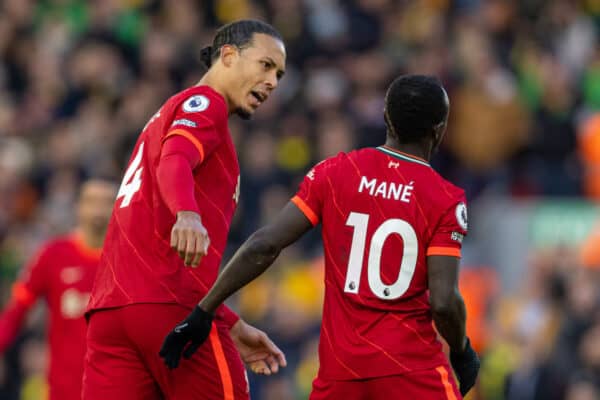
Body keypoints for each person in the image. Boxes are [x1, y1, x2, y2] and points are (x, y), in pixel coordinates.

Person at [160, 75, 481, 399]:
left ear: (386, 118)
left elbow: (264, 244)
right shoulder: (445, 199)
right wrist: (462, 350)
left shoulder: (336, 171)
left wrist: (204, 310)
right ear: (439, 129)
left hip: (342, 373)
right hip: (411, 370)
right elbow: (443, 301)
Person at [83, 20, 287, 400]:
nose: (273, 81)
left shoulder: (167, 114)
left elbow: (155, 236)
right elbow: (176, 159)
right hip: (168, 306)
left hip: (111, 314)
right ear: (228, 56)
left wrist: (229, 319)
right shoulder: (205, 103)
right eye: (265, 65)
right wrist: (187, 214)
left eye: (279, 73)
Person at [0, 178, 117, 400]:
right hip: (64, 389)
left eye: (106, 202)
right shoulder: (53, 255)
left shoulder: (128, 261)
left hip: (113, 389)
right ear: (78, 207)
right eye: (91, 201)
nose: (98, 210)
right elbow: (16, 311)